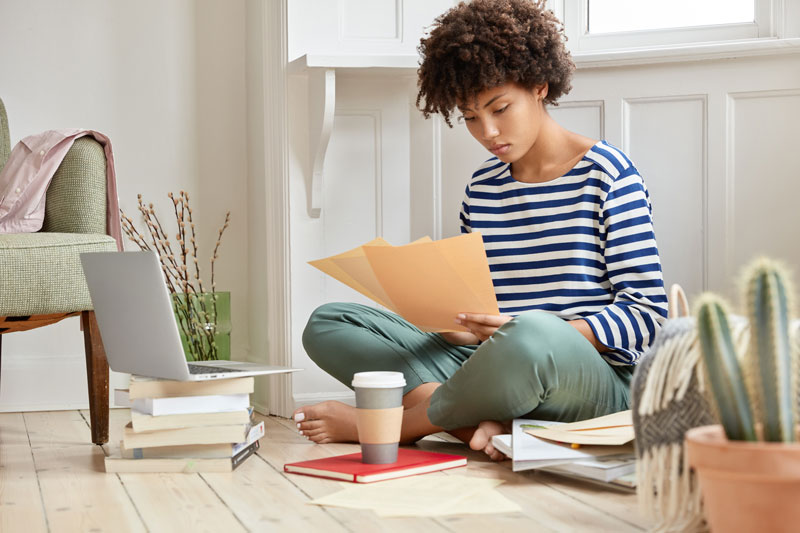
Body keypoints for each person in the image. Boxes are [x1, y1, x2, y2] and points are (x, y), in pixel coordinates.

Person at [293, 0, 667, 460]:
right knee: (330, 322)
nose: (488, 132)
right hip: (486, 365)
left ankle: (395, 425)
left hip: (582, 377)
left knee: (532, 333)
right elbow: (480, 311)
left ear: (539, 86)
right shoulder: (482, 188)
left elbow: (647, 315)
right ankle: (486, 423)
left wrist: (533, 330)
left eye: (500, 108)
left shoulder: (609, 175)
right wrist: (457, 327)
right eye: (470, 117)